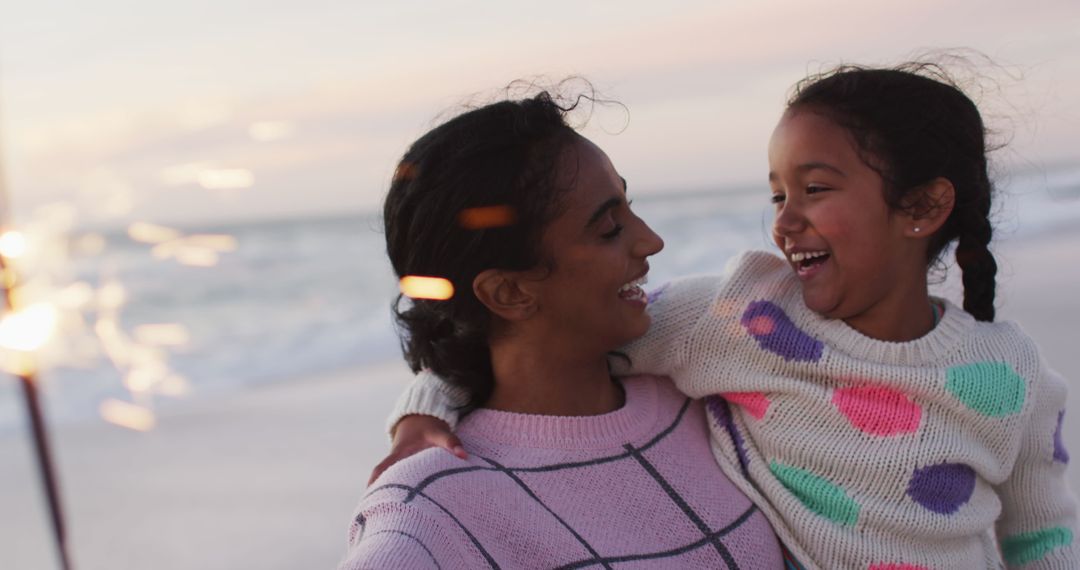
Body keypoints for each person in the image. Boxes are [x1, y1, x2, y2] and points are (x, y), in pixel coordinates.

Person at [381, 64, 1080, 569]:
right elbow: (525, 339)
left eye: (813, 189)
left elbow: (1043, 534)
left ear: (923, 208)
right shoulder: (744, 317)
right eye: (777, 195)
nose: (786, 221)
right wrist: (425, 410)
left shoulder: (1009, 374)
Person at [341, 91, 783, 569]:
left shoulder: (703, 388)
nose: (651, 240)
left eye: (628, 206)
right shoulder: (429, 507)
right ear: (508, 292)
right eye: (610, 228)